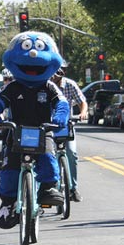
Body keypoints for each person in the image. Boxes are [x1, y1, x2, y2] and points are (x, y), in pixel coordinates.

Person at [0, 31, 69, 229]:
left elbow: (62, 104)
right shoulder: (12, 87)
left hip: (43, 130)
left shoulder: (49, 87)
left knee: (48, 157)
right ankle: (8, 203)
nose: (32, 55)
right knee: (9, 169)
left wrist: (59, 117)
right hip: (16, 131)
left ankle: (48, 188)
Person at [50, 63, 88, 202]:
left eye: (61, 70)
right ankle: (49, 186)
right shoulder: (45, 85)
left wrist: (83, 113)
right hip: (49, 127)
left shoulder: (70, 85)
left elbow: (82, 101)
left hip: (67, 126)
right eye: (55, 70)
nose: (57, 74)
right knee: (47, 155)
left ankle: (73, 188)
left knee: (71, 153)